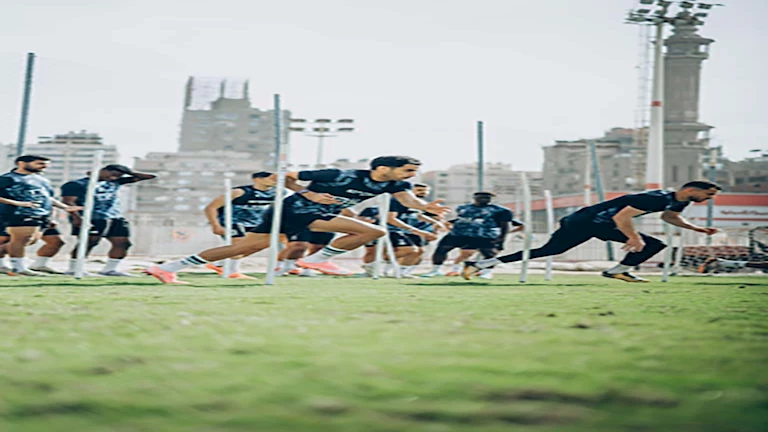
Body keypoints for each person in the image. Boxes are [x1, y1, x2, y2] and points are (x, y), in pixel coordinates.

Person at [144, 156, 448, 284]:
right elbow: (281, 176)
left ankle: (167, 268)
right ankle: (316, 260)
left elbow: (410, 202)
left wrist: (428, 208)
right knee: (374, 231)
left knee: (241, 249)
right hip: (296, 209)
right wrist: (309, 193)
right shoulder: (338, 175)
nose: (412, 176)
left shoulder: (397, 185)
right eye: (408, 170)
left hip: (317, 214)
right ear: (382, 168)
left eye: (413, 172)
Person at [463, 181, 722, 282]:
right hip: (587, 221)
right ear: (691, 190)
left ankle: (481, 264)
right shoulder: (654, 198)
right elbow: (622, 217)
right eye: (708, 194)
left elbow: (670, 217)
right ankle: (617, 270)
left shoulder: (677, 202)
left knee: (547, 250)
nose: (708, 199)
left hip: (591, 223)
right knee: (652, 244)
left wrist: (696, 228)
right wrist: (633, 237)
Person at [60, 164, 156, 276]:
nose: (113, 177)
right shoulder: (77, 184)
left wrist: (129, 172)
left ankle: (109, 270)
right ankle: (73, 269)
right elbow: (68, 202)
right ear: (103, 170)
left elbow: (150, 176)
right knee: (89, 243)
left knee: (123, 243)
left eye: (118, 176)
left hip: (114, 216)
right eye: (112, 174)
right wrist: (77, 217)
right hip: (91, 217)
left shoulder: (115, 182)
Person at [0, 155, 82, 276]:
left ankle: (30, 265)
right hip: (19, 213)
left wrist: (65, 207)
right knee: (22, 239)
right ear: (21, 163)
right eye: (40, 164)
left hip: (42, 215)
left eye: (46, 165)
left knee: (31, 241)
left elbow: (47, 198)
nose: (44, 167)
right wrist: (18, 203)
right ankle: (19, 268)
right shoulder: (8, 178)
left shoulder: (42, 179)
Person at [422, 192, 522, 279]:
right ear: (474, 197)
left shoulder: (501, 210)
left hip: (484, 235)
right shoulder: (463, 208)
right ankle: (436, 270)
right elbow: (460, 219)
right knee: (441, 249)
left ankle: (487, 272)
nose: (484, 199)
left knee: (489, 254)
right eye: (481, 197)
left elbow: (505, 225)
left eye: (487, 197)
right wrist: (449, 226)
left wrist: (502, 238)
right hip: (458, 234)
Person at [202, 171, 277, 280]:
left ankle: (220, 263)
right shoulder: (239, 192)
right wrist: (215, 225)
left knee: (253, 247)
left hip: (255, 223)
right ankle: (232, 271)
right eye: (271, 178)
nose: (275, 181)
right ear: (257, 179)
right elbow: (211, 208)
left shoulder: (275, 193)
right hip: (233, 222)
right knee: (238, 246)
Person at [0, 221, 66, 274]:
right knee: (10, 240)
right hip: (16, 214)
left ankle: (39, 265)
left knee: (56, 241)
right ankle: (4, 265)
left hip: (41, 215)